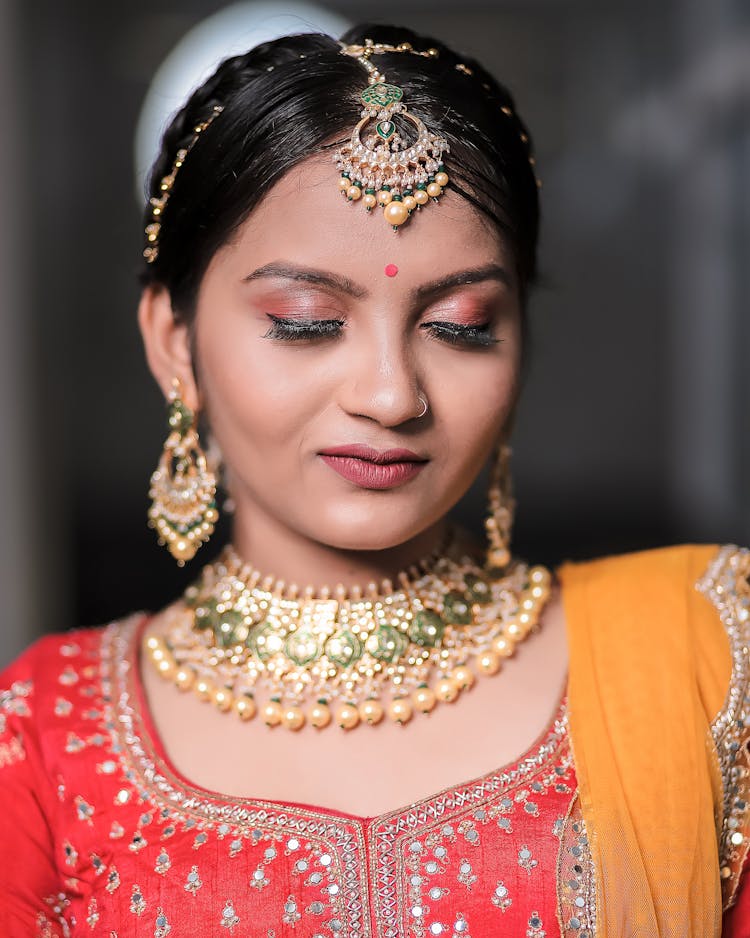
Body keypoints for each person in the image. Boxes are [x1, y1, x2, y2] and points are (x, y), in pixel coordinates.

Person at [1, 22, 747, 938]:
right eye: (308, 320)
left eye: (463, 323)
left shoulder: (708, 657)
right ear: (174, 342)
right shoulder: (47, 736)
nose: (392, 394)